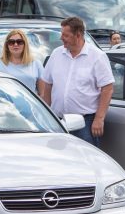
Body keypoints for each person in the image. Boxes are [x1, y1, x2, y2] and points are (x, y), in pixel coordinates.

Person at [38, 17, 114, 146]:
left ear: (78, 35)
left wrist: (99, 119)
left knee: (86, 161)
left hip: (85, 123)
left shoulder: (97, 56)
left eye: (65, 35)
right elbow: (47, 85)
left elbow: (107, 88)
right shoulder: (56, 54)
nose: (61, 38)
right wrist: (46, 114)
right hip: (59, 121)